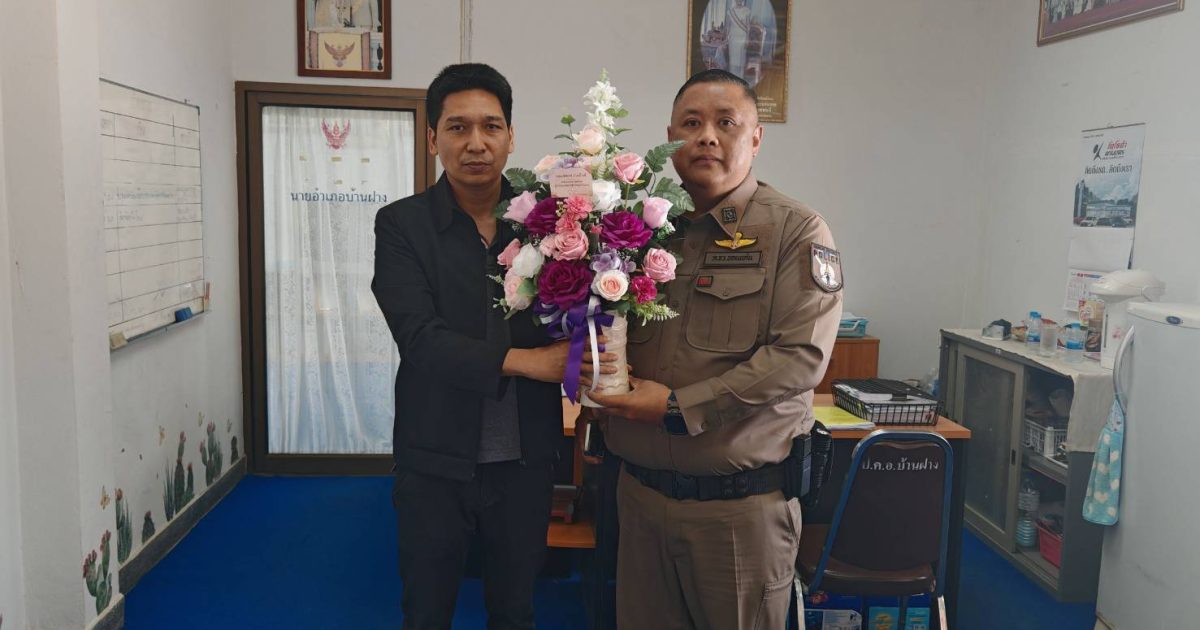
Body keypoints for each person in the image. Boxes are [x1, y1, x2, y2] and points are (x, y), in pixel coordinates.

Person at [588, 69, 844, 630]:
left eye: (726, 122)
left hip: (738, 511)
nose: (707, 135)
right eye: (692, 122)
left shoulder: (795, 231)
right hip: (639, 498)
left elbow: (799, 358)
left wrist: (676, 407)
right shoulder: (640, 230)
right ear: (671, 137)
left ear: (756, 137)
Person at [372, 63, 615, 630]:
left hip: (525, 460)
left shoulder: (549, 224)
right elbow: (419, 338)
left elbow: (581, 314)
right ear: (432, 138)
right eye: (457, 128)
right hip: (434, 457)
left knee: (515, 610)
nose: (475, 143)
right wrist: (528, 363)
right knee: (426, 612)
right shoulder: (402, 225)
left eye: (491, 126)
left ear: (511, 137)